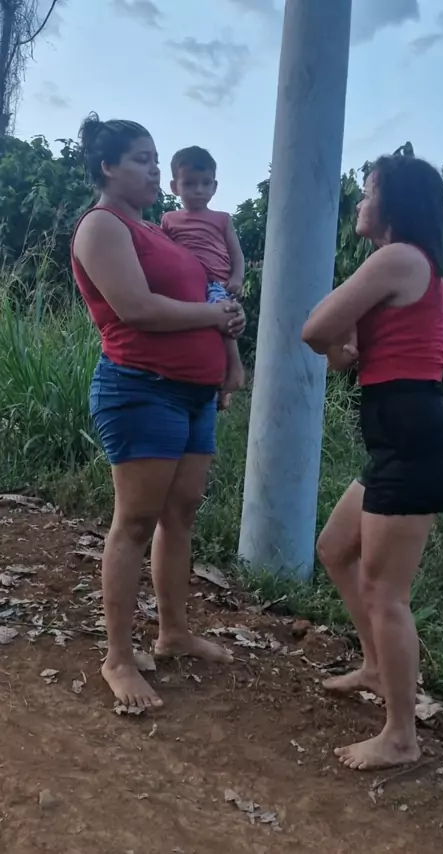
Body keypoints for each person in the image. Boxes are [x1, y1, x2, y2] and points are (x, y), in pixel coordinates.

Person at [71, 114, 246, 710]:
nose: (153, 170)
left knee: (181, 513)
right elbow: (137, 308)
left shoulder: (158, 232)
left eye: (154, 159)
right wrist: (214, 317)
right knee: (136, 521)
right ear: (108, 167)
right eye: (142, 160)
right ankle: (118, 658)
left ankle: (173, 633)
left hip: (194, 395)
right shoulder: (102, 226)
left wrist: (226, 332)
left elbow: (205, 295)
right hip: (142, 389)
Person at [302, 154, 443, 771]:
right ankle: (375, 666)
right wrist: (340, 345)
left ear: (394, 205)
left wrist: (334, 338)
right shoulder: (406, 266)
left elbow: (314, 328)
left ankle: (402, 736)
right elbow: (336, 351)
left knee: (385, 592)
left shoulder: (397, 258)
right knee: (334, 548)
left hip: (415, 445)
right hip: (397, 442)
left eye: (368, 192)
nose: (360, 202)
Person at [161, 146, 245, 409]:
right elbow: (163, 251)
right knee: (196, 329)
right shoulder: (169, 219)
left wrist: (237, 278)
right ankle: (216, 385)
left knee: (225, 317)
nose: (199, 190)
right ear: (174, 187)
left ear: (215, 186)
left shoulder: (222, 219)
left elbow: (237, 254)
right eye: (190, 183)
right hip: (185, 284)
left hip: (216, 283)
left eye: (206, 183)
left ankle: (233, 372)